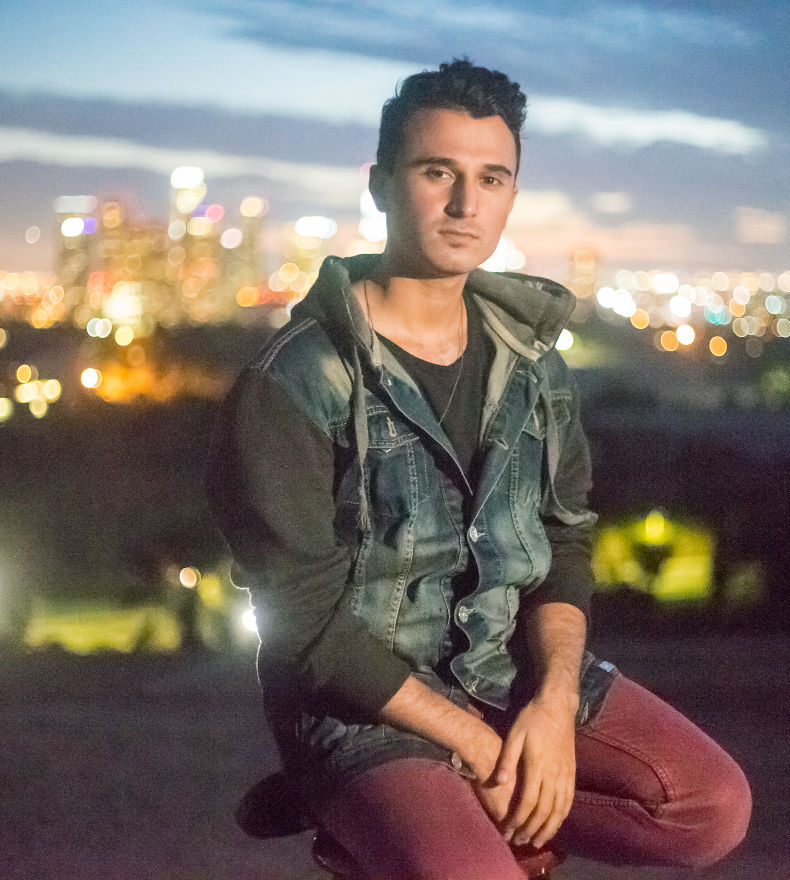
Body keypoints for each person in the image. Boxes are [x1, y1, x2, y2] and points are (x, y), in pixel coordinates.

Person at [205, 59, 751, 879]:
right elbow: (305, 626)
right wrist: (479, 744)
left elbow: (565, 540)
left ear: (511, 196)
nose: (466, 204)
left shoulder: (533, 366)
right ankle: (366, 799)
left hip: (505, 665)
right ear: (382, 184)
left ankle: (423, 812)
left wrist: (554, 701)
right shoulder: (295, 379)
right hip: (359, 705)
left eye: (491, 178)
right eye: (438, 173)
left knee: (710, 808)